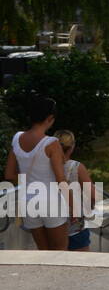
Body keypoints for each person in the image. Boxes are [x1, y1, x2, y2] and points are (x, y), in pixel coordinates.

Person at [5, 96, 69, 251]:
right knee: (61, 252)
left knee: (43, 251)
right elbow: (61, 179)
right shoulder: (51, 143)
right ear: (50, 118)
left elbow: (8, 175)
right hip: (51, 200)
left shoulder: (17, 138)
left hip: (28, 200)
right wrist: (73, 206)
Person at [55, 130, 96, 252]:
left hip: (52, 227)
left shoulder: (46, 167)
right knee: (81, 266)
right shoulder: (76, 167)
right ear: (72, 147)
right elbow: (93, 195)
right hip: (75, 226)